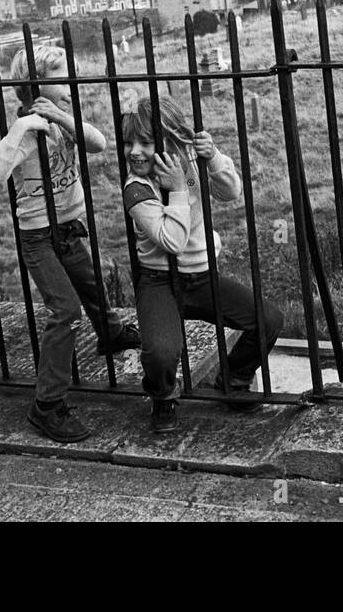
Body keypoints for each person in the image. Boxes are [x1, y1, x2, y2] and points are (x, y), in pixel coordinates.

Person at [0, 45, 140, 443]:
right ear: (34, 86)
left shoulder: (62, 121)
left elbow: (99, 143)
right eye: (60, 79)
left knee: (91, 285)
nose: (70, 86)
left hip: (69, 227)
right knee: (66, 311)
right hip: (38, 236)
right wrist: (21, 129)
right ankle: (47, 405)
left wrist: (62, 118)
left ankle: (111, 333)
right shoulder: (24, 134)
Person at [120, 94, 282, 433]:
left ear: (174, 141)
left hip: (202, 277)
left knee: (268, 319)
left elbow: (231, 192)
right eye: (129, 142)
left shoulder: (187, 162)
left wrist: (213, 159)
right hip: (159, 280)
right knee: (161, 353)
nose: (135, 151)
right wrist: (178, 189)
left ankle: (233, 380)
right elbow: (172, 241)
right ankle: (164, 396)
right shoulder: (136, 188)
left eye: (146, 142)